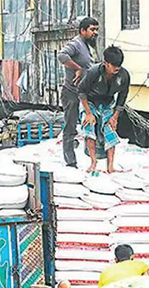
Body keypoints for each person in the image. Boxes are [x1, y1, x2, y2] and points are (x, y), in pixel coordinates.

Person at [78, 46, 130, 174]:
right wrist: (89, 113)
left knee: (110, 130)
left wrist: (115, 117)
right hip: (89, 102)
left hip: (107, 103)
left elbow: (122, 97)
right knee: (89, 128)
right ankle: (93, 162)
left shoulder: (123, 75)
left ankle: (110, 166)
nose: (117, 68)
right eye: (114, 65)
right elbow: (81, 91)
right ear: (106, 63)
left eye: (119, 65)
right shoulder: (93, 72)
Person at [57, 17, 99, 168]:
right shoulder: (76, 43)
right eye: (92, 30)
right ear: (82, 31)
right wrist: (77, 69)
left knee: (91, 125)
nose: (95, 33)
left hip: (85, 94)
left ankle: (93, 158)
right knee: (70, 126)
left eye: (96, 30)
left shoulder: (88, 46)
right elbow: (62, 56)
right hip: (71, 93)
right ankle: (70, 161)